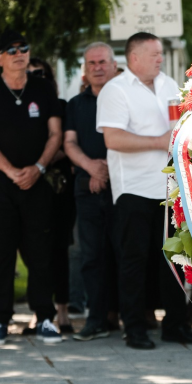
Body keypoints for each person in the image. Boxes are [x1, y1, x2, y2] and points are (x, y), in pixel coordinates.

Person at [97, 32, 192, 349]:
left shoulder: (170, 85)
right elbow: (113, 139)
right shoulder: (115, 90)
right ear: (134, 57)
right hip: (134, 190)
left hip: (170, 188)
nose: (160, 59)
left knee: (174, 260)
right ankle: (135, 327)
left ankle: (175, 324)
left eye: (160, 54)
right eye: (154, 54)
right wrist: (158, 142)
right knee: (134, 260)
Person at [0, 32, 64, 345]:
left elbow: (55, 134)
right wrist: (11, 171)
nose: (18, 53)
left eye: (23, 48)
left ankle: (45, 318)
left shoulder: (42, 87)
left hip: (37, 181)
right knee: (0, 253)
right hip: (0, 183)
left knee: (40, 251)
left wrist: (38, 168)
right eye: (10, 50)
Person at [64, 42, 119, 341]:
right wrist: (92, 168)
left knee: (123, 254)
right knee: (91, 256)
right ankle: (95, 318)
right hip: (87, 188)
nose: (98, 67)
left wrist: (107, 168)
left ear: (113, 65)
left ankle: (126, 317)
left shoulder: (126, 98)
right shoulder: (75, 105)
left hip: (123, 187)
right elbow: (69, 143)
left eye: (102, 62)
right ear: (85, 70)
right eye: (92, 63)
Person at [27, 57, 77, 334]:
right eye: (31, 74)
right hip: (29, 186)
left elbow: (66, 143)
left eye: (41, 73)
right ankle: (39, 311)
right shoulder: (19, 106)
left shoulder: (62, 106)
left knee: (59, 251)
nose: (37, 77)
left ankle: (63, 310)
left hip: (58, 189)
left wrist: (41, 161)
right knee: (34, 251)